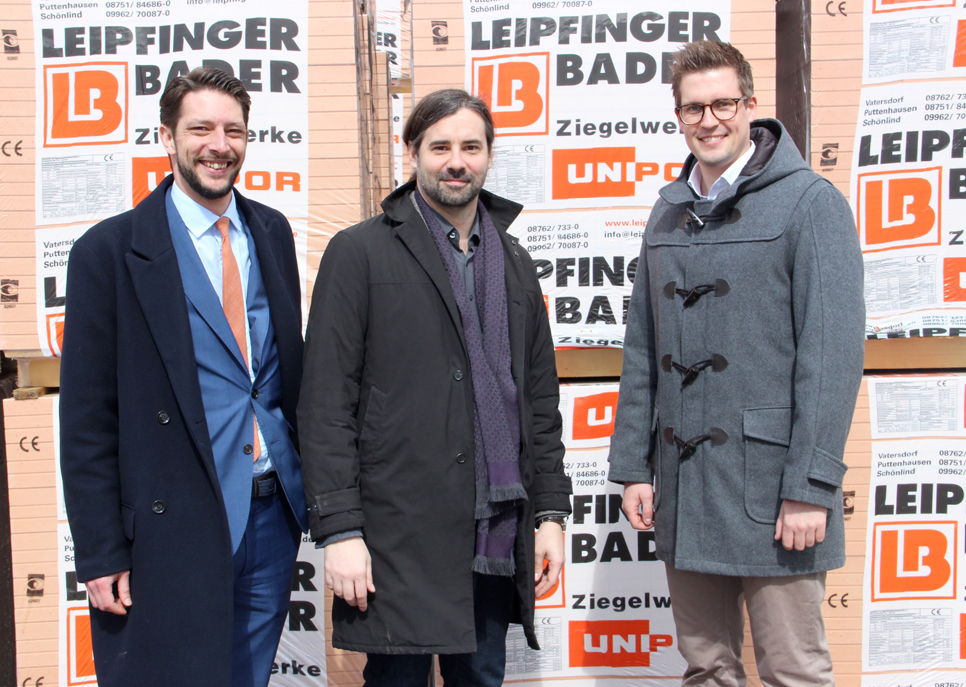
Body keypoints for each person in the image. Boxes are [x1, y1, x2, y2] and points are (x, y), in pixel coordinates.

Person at [609, 41, 864, 686]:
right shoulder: (667, 210)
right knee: (706, 667)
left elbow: (832, 357)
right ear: (678, 116)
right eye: (693, 108)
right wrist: (635, 467)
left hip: (774, 491)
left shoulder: (810, 203)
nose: (709, 120)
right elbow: (643, 348)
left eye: (723, 103)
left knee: (793, 670)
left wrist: (811, 487)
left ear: (751, 105)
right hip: (686, 488)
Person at [297, 88, 572, 687]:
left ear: (489, 155)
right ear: (412, 152)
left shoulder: (517, 262)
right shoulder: (360, 253)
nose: (457, 161)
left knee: (481, 679)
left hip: (493, 533)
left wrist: (550, 513)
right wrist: (340, 531)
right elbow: (324, 406)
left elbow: (539, 402)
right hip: (397, 535)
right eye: (440, 146)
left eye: (471, 147)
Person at [59, 67, 308, 687]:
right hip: (172, 526)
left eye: (233, 130)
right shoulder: (108, 252)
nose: (218, 144)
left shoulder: (272, 232)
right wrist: (99, 550)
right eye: (200, 128)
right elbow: (87, 418)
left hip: (270, 515)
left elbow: (277, 375)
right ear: (167, 137)